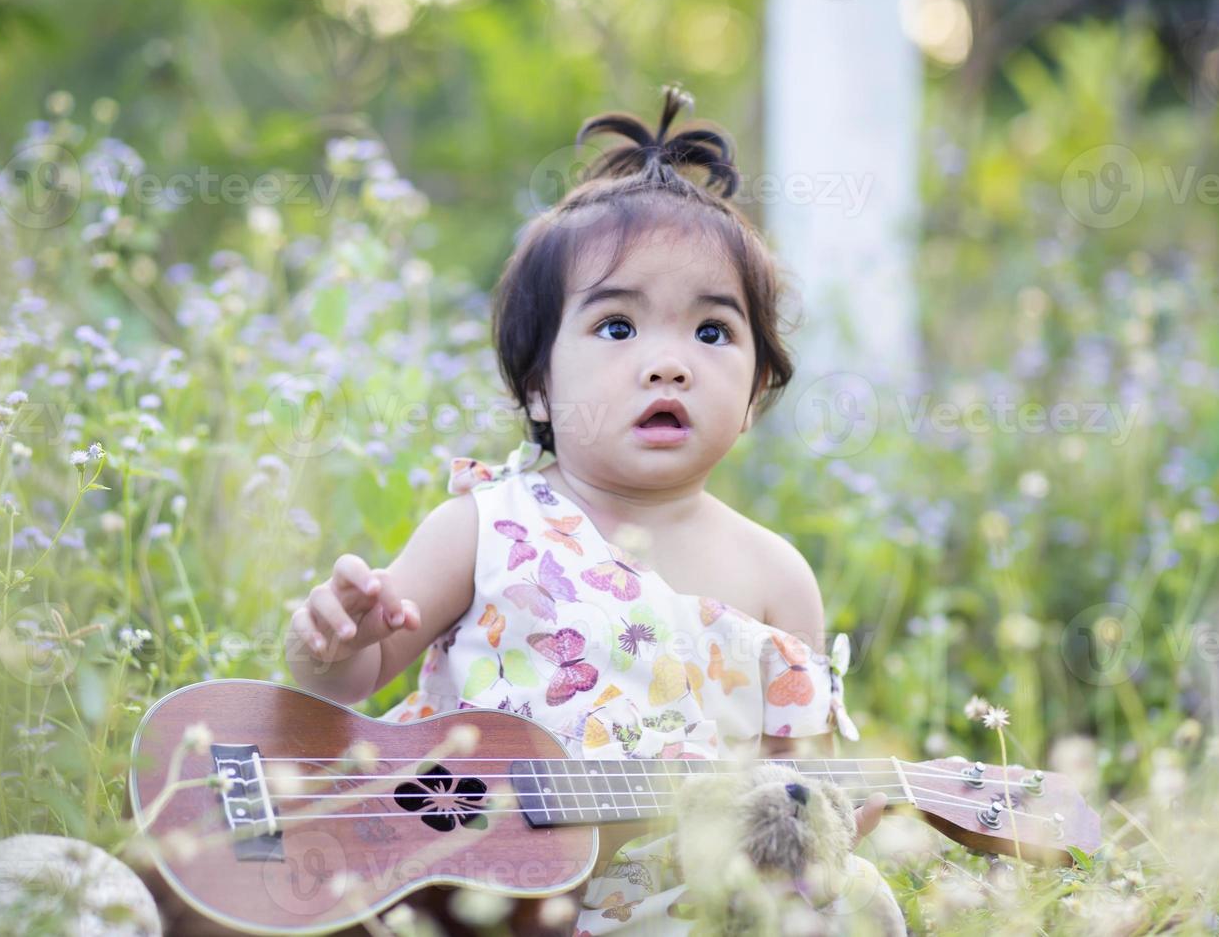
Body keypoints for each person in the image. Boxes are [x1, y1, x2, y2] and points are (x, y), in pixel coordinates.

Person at [284, 85, 903, 935]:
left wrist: (838, 823)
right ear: (538, 386)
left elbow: (805, 808)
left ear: (758, 390)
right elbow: (354, 684)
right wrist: (334, 646)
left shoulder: (773, 578)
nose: (668, 364)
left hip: (668, 910)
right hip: (459, 888)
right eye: (617, 327)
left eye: (712, 333)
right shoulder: (487, 526)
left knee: (852, 907)